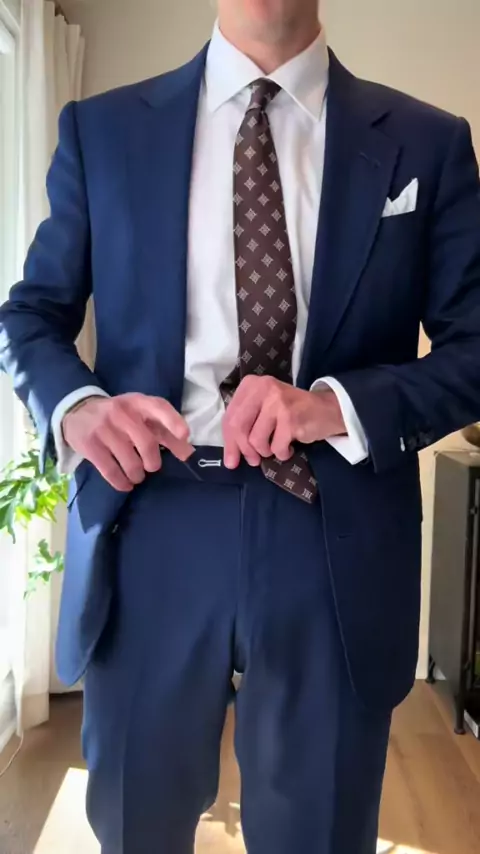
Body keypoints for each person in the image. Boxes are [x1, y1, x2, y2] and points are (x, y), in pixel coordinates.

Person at [1, 0, 480, 851]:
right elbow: (30, 317)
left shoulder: (428, 142)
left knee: (319, 832)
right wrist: (78, 409)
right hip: (150, 519)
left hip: (333, 533)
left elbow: (473, 348)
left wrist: (335, 405)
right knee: (136, 826)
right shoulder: (102, 132)